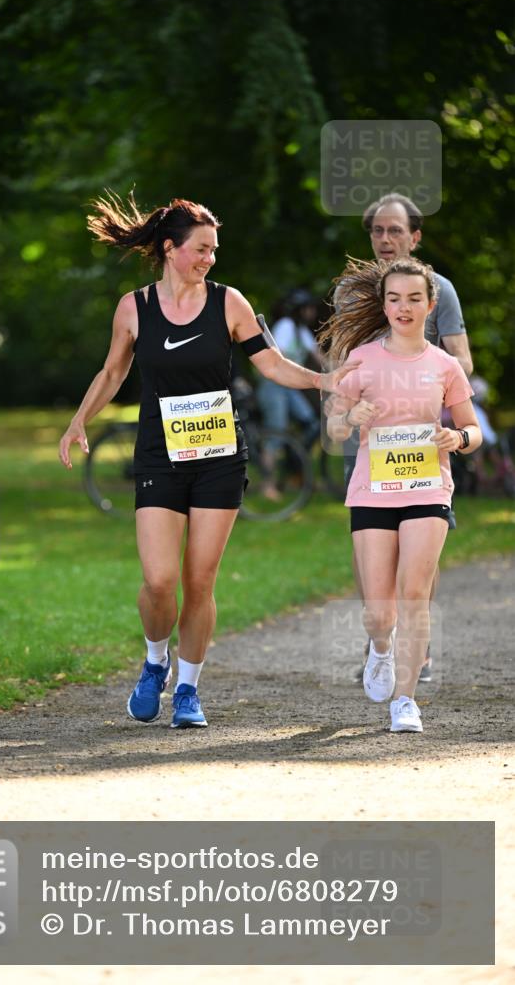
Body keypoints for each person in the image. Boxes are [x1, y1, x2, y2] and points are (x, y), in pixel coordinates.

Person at [58, 192, 358, 729]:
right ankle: (155, 663)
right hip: (158, 455)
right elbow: (112, 373)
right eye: (201, 249)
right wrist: (79, 419)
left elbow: (271, 363)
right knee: (157, 581)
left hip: (219, 456)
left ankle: (189, 691)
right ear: (170, 249)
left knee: (199, 581)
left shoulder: (229, 303)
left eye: (214, 250)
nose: (210, 259)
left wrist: (321, 380)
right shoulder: (135, 308)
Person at [325, 255, 481, 732]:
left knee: (414, 594)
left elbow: (473, 429)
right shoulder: (363, 359)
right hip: (373, 491)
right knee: (379, 611)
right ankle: (380, 647)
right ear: (384, 304)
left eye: (414, 298)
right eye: (394, 298)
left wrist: (458, 439)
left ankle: (405, 701)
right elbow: (333, 426)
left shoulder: (445, 365)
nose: (404, 307)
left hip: (427, 488)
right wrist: (350, 420)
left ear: (430, 305)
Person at [257, 291, 322, 500]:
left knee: (311, 424)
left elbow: (318, 355)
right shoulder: (285, 326)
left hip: (289, 387)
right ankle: (268, 485)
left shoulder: (301, 330)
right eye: (308, 308)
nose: (311, 312)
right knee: (276, 433)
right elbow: (278, 359)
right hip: (273, 386)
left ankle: (295, 469)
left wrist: (337, 373)